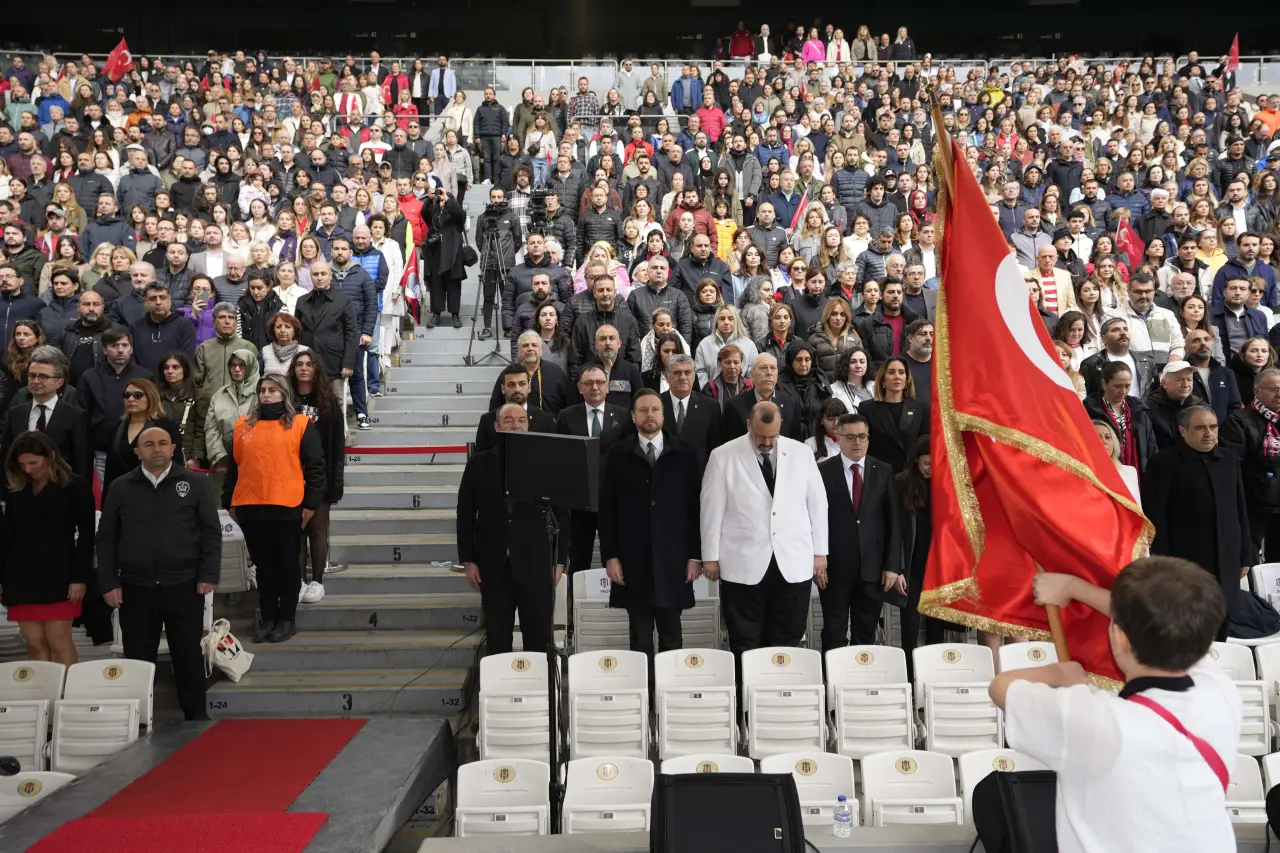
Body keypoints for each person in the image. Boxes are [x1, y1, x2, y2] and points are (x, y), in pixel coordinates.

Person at [993, 558, 1240, 853]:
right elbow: (1171, 622)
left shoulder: (1097, 722)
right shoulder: (1220, 695)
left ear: (1119, 637)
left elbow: (1001, 687)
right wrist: (1074, 587)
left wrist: (1061, 674)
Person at [98, 425, 221, 721]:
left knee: (188, 655)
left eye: (163, 443)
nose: (157, 449)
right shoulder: (120, 487)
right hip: (135, 588)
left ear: (173, 449)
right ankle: (138, 720)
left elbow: (211, 532)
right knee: (138, 658)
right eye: (149, 444)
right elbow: (106, 539)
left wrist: (208, 574)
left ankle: (195, 718)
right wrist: (108, 582)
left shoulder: (194, 483)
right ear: (137, 451)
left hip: (184, 585)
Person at [701, 401, 828, 661]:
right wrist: (710, 556)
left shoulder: (801, 453)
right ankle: (748, 697)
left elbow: (818, 504)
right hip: (742, 561)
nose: (767, 442)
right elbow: (711, 509)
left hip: (793, 560)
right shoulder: (722, 455)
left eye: (773, 436)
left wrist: (821, 553)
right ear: (749, 425)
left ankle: (781, 696)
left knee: (788, 638)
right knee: (745, 640)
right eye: (760, 436)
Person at [598, 389, 703, 661]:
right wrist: (611, 555)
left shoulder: (685, 454)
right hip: (633, 558)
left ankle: (669, 696)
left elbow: (695, 510)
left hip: (674, 559)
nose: (650, 415)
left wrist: (695, 555)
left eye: (655, 409)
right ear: (633, 417)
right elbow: (607, 510)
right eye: (643, 410)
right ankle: (645, 697)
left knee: (672, 634)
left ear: (663, 414)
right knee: (639, 637)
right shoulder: (616, 454)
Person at [457, 403, 569, 655]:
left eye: (521, 420)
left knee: (539, 640)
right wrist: (468, 559)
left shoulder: (547, 463)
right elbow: (464, 514)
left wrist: (560, 560)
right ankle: (498, 692)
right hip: (493, 567)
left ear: (529, 425)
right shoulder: (478, 464)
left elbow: (562, 514)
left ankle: (539, 693)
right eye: (509, 420)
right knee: (497, 639)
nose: (516, 425)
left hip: (537, 564)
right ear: (496, 427)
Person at [223, 374, 325, 644]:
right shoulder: (243, 425)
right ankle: (268, 616)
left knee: (287, 565)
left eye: (272, 390)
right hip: (250, 505)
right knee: (263, 566)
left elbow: (316, 467)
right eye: (262, 390)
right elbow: (234, 466)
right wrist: (228, 500)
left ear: (284, 394)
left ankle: (286, 618)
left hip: (286, 505)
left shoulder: (301, 424)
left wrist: (312, 503)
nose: (266, 395)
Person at [1143, 406, 1252, 625]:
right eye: (1200, 428)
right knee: (1188, 624)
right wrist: (1164, 562)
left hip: (1226, 560)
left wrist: (1246, 554)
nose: (1208, 434)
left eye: (1213, 427)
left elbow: (1240, 508)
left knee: (1222, 623)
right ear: (1183, 431)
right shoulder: (1164, 463)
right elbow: (1155, 518)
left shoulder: (1229, 459)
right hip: (1185, 562)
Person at [0, 431, 95, 665]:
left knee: (59, 641)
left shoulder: (75, 486)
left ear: (51, 456)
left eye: (33, 462)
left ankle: (64, 698)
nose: (28, 469)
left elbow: (86, 536)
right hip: (20, 575)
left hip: (60, 574)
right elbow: (6, 537)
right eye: (22, 464)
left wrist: (79, 578)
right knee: (34, 643)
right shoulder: (16, 488)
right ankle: (41, 696)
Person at [816, 412, 902, 651]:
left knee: (866, 632)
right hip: (834, 568)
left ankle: (861, 681)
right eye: (851, 437)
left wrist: (893, 566)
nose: (857, 442)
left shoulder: (883, 470)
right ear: (837, 439)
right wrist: (817, 560)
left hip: (872, 569)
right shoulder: (822, 472)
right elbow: (814, 520)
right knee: (834, 632)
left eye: (862, 436)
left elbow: (893, 521)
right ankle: (834, 684)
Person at [556, 363, 634, 578]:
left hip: (613, 499)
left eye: (600, 382)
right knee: (579, 556)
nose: (595, 387)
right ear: (580, 388)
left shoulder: (625, 416)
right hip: (580, 500)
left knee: (618, 554)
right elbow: (561, 458)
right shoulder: (566, 416)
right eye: (588, 383)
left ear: (608, 386)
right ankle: (575, 603)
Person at [288, 353, 345, 604]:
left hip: (319, 475)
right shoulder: (286, 400)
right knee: (296, 532)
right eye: (299, 364)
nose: (303, 369)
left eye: (308, 364)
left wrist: (335, 482)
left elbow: (337, 445)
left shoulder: (328, 401)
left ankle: (317, 581)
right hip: (290, 476)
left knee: (317, 531)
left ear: (316, 369)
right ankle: (299, 581)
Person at [0, 346, 90, 483]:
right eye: (32, 375)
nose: (36, 381)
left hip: (61, 491)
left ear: (59, 382)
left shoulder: (75, 416)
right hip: (21, 491)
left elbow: (82, 465)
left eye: (43, 377)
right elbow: (6, 459)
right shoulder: (15, 413)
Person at [1222, 369, 1280, 560]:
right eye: (1273, 389)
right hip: (1253, 504)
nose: (1279, 394)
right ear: (1257, 392)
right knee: (1249, 561)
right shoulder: (1238, 421)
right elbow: (1233, 467)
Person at [104, 377, 185, 495]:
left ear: (151, 397)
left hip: (155, 493)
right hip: (121, 494)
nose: (131, 399)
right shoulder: (116, 427)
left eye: (137, 395)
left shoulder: (166, 426)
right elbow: (110, 468)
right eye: (126, 395)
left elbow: (176, 463)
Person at [296, 260, 358, 402]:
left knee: (335, 403)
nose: (319, 277)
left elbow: (351, 333)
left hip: (333, 362)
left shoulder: (343, 300)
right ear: (310, 277)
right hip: (308, 361)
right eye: (315, 274)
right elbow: (297, 333)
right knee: (309, 404)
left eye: (323, 273)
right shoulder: (301, 302)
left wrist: (348, 363)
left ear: (330, 275)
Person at [860, 355, 930, 474]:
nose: (897, 376)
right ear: (882, 379)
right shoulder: (866, 408)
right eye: (891, 372)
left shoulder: (920, 409)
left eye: (901, 372)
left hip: (909, 478)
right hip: (878, 476)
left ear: (907, 379)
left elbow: (925, 446)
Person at [475, 364, 556, 453]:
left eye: (522, 384)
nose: (517, 389)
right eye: (511, 385)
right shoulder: (487, 420)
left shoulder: (545, 420)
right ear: (503, 389)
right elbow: (479, 460)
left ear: (529, 387)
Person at [721, 353, 802, 441]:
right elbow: (730, 443)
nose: (769, 373)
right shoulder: (735, 405)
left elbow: (795, 442)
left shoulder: (791, 404)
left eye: (773, 368)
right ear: (752, 374)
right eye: (763, 368)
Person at [661, 353, 721, 469]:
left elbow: (715, 447)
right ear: (667, 377)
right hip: (664, 475)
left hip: (698, 477)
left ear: (694, 376)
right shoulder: (657, 404)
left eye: (687, 373)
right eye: (677, 373)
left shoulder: (710, 407)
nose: (683, 377)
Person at [203, 349, 260, 470]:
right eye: (233, 365)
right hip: (226, 462)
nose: (237, 369)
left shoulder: (263, 392)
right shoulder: (220, 394)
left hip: (256, 461)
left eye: (242, 365)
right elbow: (211, 429)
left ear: (251, 366)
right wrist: (219, 458)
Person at [1079, 317, 1157, 397]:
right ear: (1104, 339)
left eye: (1125, 329)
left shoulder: (1147, 362)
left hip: (1142, 409)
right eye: (1115, 330)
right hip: (1104, 409)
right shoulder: (1090, 364)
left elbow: (1155, 394)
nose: (1123, 333)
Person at [422, 187, 466, 329]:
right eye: (439, 200)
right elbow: (424, 214)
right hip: (436, 255)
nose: (441, 202)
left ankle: (455, 315)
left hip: (453, 255)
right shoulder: (434, 214)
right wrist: (430, 200)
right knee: (436, 286)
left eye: (444, 200)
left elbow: (459, 213)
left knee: (454, 286)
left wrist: (448, 200)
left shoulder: (455, 215)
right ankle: (436, 315)